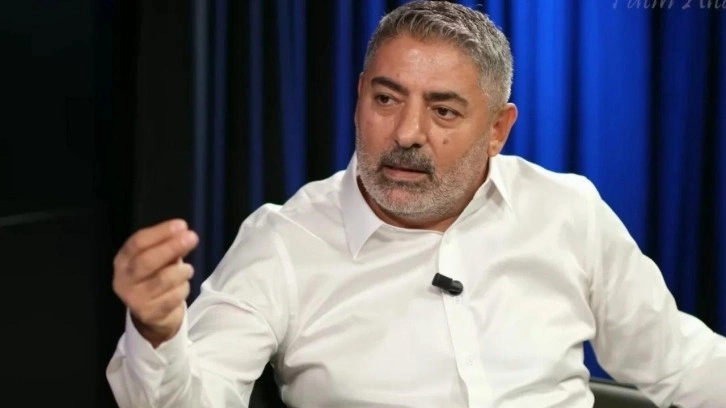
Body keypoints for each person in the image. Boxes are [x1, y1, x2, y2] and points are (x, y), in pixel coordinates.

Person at [106, 1, 726, 407]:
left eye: (444, 111)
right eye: (386, 99)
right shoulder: (286, 241)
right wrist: (158, 333)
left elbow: (681, 362)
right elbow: (197, 396)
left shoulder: (566, 210)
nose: (407, 133)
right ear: (359, 98)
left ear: (498, 129)